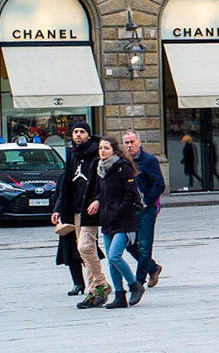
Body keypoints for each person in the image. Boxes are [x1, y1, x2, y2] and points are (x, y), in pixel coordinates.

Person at [51, 123, 108, 307]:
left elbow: (103, 182)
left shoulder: (96, 154)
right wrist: (58, 208)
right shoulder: (73, 155)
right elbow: (65, 185)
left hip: (88, 208)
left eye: (82, 132)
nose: (78, 135)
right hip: (73, 208)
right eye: (75, 131)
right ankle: (94, 289)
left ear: (88, 135)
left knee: (85, 247)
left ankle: (100, 284)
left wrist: (98, 200)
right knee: (83, 250)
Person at [88, 135, 144, 309]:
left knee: (114, 255)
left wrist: (119, 210)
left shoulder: (122, 167)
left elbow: (131, 193)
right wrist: (97, 201)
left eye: (106, 148)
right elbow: (100, 192)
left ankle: (135, 285)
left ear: (114, 150)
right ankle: (120, 295)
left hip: (123, 220)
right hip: (107, 221)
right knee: (111, 261)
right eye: (100, 148)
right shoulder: (101, 169)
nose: (102, 151)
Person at [119, 130, 166, 289]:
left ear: (139, 143)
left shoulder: (149, 160)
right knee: (129, 244)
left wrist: (147, 200)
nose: (130, 145)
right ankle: (152, 268)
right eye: (126, 143)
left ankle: (139, 281)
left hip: (146, 209)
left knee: (144, 245)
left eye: (132, 142)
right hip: (129, 210)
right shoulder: (123, 161)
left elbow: (159, 184)